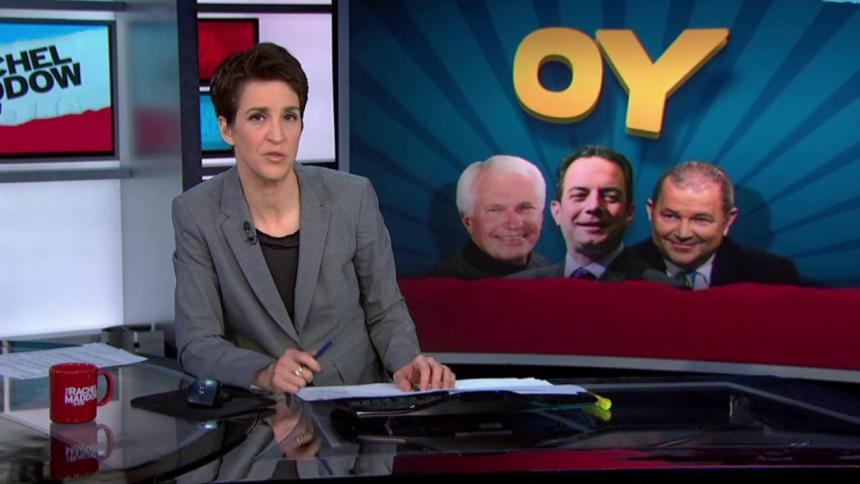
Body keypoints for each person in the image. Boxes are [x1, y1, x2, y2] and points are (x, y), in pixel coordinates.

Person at [172, 42, 454, 394]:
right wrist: (265, 372)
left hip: (354, 404)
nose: (277, 135)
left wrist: (406, 362)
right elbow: (197, 343)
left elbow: (385, 312)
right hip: (261, 412)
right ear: (227, 129)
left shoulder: (353, 197)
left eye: (289, 117)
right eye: (258, 117)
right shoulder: (197, 213)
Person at [629, 161, 800, 289]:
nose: (683, 233)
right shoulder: (620, 271)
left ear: (728, 220)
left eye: (701, 219)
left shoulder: (772, 276)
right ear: (651, 211)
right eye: (671, 216)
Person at [513, 145, 670, 283]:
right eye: (580, 195)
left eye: (610, 197)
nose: (594, 206)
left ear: (629, 213)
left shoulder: (665, 293)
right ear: (556, 212)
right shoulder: (517, 290)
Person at [430, 155, 550, 279]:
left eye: (525, 207)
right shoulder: (438, 285)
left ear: (541, 216)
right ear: (468, 221)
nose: (514, 224)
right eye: (495, 210)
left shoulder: (549, 272)